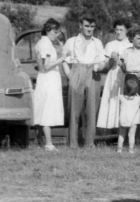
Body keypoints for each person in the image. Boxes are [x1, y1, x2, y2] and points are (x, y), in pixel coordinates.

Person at [61, 16, 105, 148]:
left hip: (93, 72)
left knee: (92, 108)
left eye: (92, 27)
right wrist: (70, 75)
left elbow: (102, 61)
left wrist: (100, 66)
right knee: (74, 108)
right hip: (77, 70)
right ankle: (73, 143)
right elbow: (64, 60)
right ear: (80, 26)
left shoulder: (97, 42)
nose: (89, 29)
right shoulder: (71, 41)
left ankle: (89, 142)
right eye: (86, 26)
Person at [31, 19, 65, 149]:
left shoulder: (43, 42)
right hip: (48, 80)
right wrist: (61, 59)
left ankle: (40, 141)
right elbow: (45, 66)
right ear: (48, 30)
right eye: (55, 32)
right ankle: (49, 144)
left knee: (42, 109)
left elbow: (39, 66)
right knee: (47, 111)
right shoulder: (45, 44)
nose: (57, 35)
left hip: (45, 79)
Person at [96, 19, 132, 131]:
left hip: (126, 76)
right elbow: (107, 66)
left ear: (127, 31)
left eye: (121, 30)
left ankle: (126, 133)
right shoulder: (110, 45)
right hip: (113, 75)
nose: (119, 32)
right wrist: (112, 59)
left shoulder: (130, 45)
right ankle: (113, 132)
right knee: (112, 102)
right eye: (117, 30)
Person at [117, 74, 140, 154]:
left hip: (123, 119)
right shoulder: (138, 99)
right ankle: (131, 149)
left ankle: (119, 149)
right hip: (133, 120)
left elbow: (119, 99)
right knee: (131, 135)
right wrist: (136, 93)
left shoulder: (121, 98)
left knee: (121, 134)